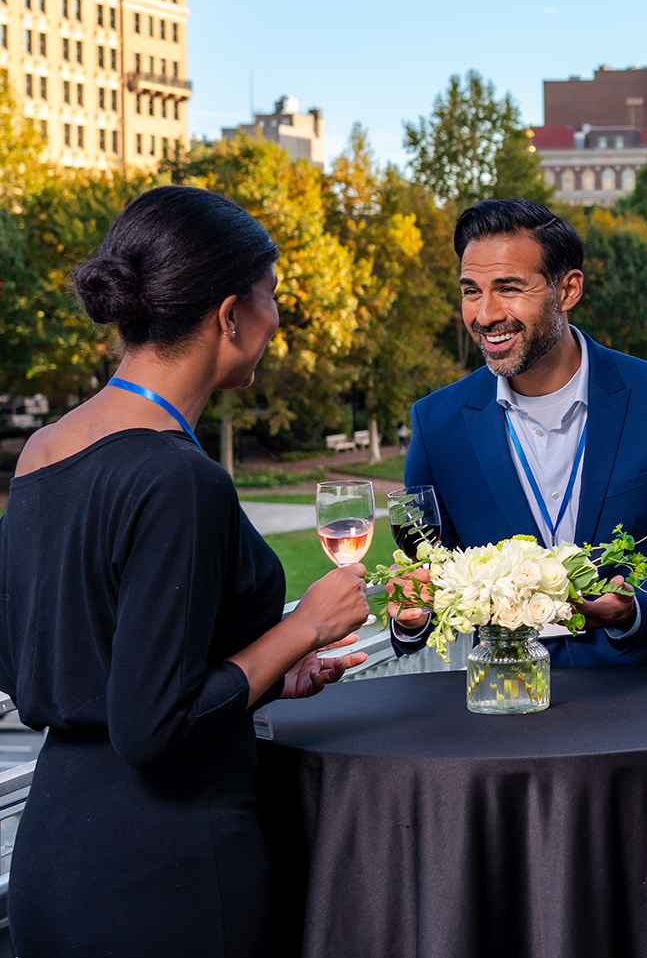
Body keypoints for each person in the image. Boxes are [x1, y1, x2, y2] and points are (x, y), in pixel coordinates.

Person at [0, 186, 370, 958]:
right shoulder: (179, 477)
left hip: (51, 854)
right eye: (272, 297)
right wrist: (305, 625)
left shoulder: (41, 453)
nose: (278, 321)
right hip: (168, 868)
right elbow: (154, 723)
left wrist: (264, 670)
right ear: (229, 314)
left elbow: (47, 665)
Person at [390, 199, 647, 670]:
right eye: (471, 291)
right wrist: (411, 617)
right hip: (508, 704)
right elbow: (426, 579)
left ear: (568, 289)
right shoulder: (434, 424)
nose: (486, 314)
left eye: (509, 288)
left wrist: (635, 609)